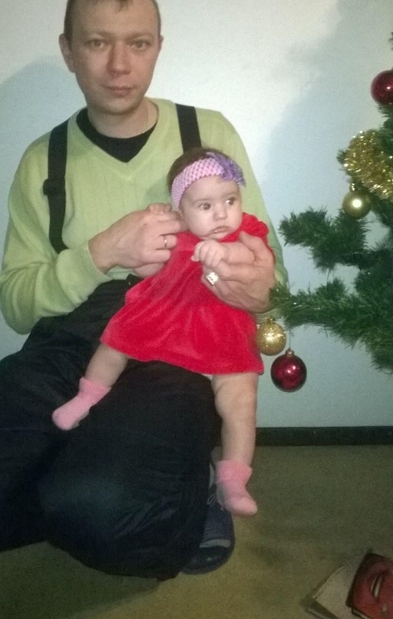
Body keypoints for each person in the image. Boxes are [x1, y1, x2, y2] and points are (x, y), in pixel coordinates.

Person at [0, 0, 287, 580]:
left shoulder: (207, 133)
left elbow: (272, 278)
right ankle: (75, 473)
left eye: (138, 43)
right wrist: (99, 252)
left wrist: (257, 290)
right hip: (69, 344)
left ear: (158, 48)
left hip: (176, 352)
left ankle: (150, 486)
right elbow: (15, 304)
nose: (119, 65)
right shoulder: (44, 159)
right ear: (69, 50)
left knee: (103, 511)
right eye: (97, 42)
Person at [53, 147, 274, 516]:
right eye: (205, 206)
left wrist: (223, 254)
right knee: (115, 340)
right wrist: (153, 231)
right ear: (181, 211)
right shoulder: (177, 233)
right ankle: (87, 396)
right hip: (168, 313)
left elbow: (252, 258)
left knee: (241, 400)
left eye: (230, 200)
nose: (221, 214)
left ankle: (233, 478)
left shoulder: (246, 231)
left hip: (224, 323)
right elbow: (144, 269)